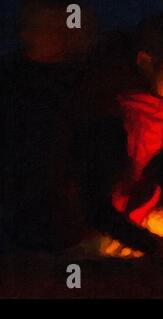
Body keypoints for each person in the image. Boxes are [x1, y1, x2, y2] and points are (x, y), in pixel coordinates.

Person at [81, 14, 163, 255]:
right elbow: (94, 204)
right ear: (146, 62)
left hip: (130, 226)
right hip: (86, 237)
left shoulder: (162, 108)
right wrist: (154, 246)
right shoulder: (105, 108)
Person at [0, 0, 96, 253]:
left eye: (55, 29)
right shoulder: (10, 77)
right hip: (17, 198)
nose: (33, 34)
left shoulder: (79, 80)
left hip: (62, 203)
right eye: (37, 27)